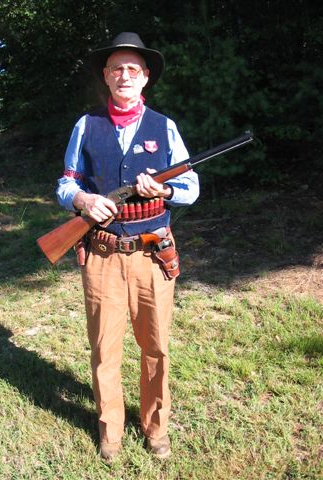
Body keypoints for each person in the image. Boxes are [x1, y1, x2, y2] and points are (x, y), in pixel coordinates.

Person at [56, 32, 199, 462]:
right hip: (101, 256)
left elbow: (191, 186)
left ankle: (155, 427)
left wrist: (165, 189)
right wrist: (82, 200)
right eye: (116, 68)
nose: (124, 76)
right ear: (106, 75)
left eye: (132, 69)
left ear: (145, 77)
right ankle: (110, 430)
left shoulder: (165, 127)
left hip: (153, 254)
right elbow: (66, 182)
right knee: (105, 349)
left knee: (155, 347)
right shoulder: (86, 125)